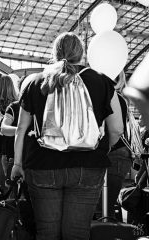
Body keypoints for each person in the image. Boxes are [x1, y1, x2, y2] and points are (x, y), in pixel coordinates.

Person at [11, 32, 123, 240]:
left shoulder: (34, 82)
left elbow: (20, 128)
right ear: (82, 54)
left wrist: (17, 164)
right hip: (88, 166)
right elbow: (116, 129)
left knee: (47, 232)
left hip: (42, 164)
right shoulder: (101, 82)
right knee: (77, 233)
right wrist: (100, 149)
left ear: (54, 53)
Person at [105, 71, 133, 218]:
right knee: (107, 206)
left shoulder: (112, 96)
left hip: (114, 153)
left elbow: (115, 131)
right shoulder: (120, 98)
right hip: (120, 154)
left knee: (104, 207)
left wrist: (105, 149)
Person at [0, 75, 30, 184]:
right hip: (14, 158)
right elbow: (3, 128)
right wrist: (24, 131)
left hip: (31, 159)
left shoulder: (41, 105)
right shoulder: (14, 107)